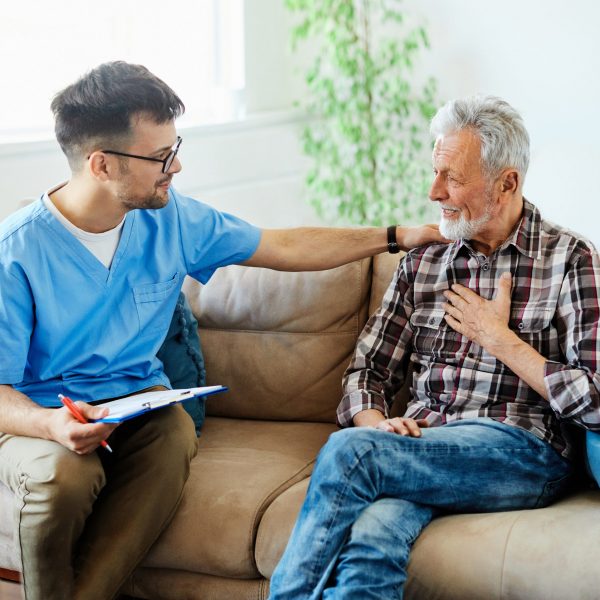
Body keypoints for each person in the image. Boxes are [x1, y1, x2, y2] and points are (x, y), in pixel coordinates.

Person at [0, 61, 442, 600]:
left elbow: (282, 246)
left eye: (174, 146)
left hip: (136, 404)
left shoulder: (173, 219)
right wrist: (51, 426)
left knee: (173, 435)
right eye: (161, 156)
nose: (177, 165)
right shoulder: (17, 253)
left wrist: (395, 235)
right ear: (101, 165)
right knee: (65, 478)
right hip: (43, 416)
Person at [269, 95, 600, 599]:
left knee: (353, 456)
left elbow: (595, 400)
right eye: (434, 172)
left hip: (521, 452)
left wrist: (501, 341)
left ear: (506, 182)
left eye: (452, 177)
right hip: (425, 444)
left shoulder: (571, 259)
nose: (433, 191)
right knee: (372, 538)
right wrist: (378, 426)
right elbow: (366, 373)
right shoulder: (424, 263)